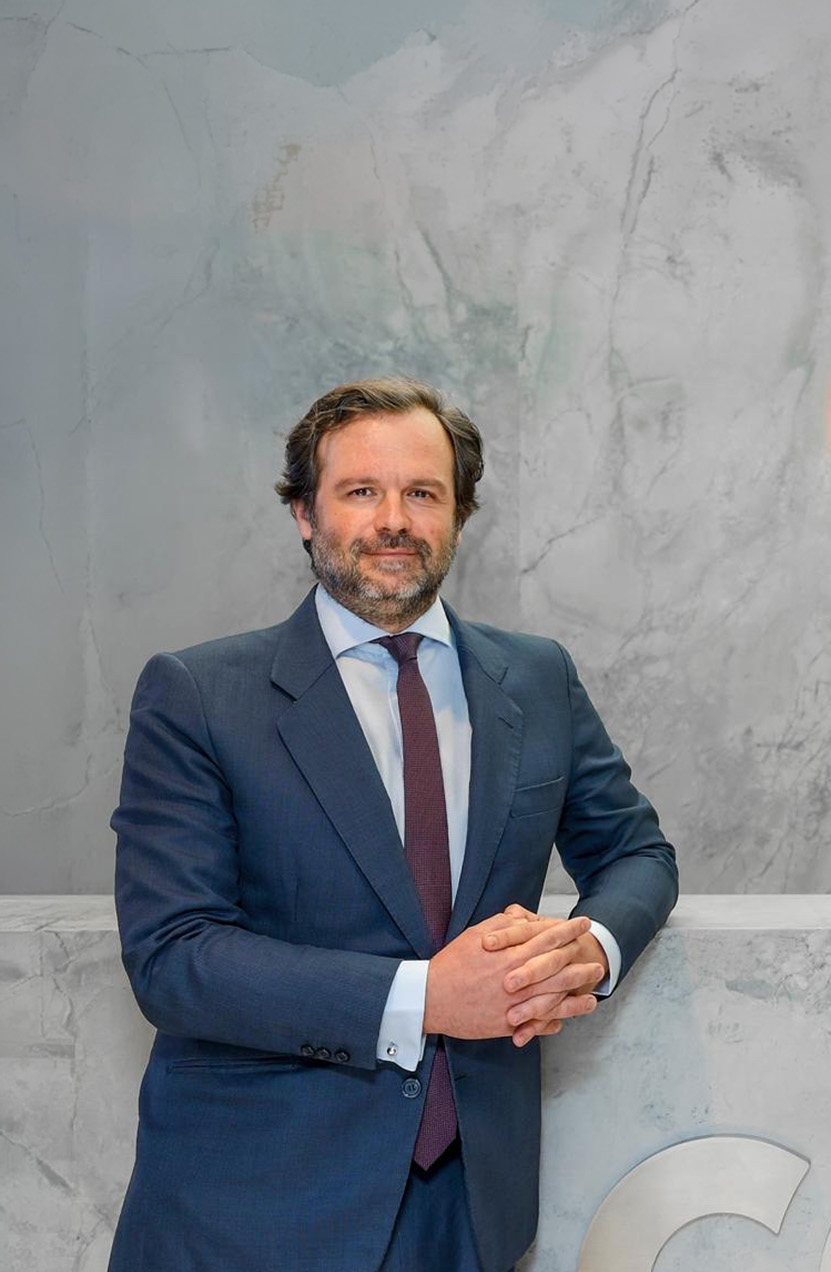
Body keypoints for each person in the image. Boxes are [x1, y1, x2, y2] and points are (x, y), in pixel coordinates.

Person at [110, 377, 679, 1272]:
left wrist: (590, 950)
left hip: (473, 1208)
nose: (393, 521)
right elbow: (173, 958)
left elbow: (635, 852)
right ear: (305, 512)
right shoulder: (199, 696)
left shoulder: (537, 679)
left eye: (422, 493)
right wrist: (424, 999)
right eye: (360, 491)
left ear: (459, 515)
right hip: (253, 1211)